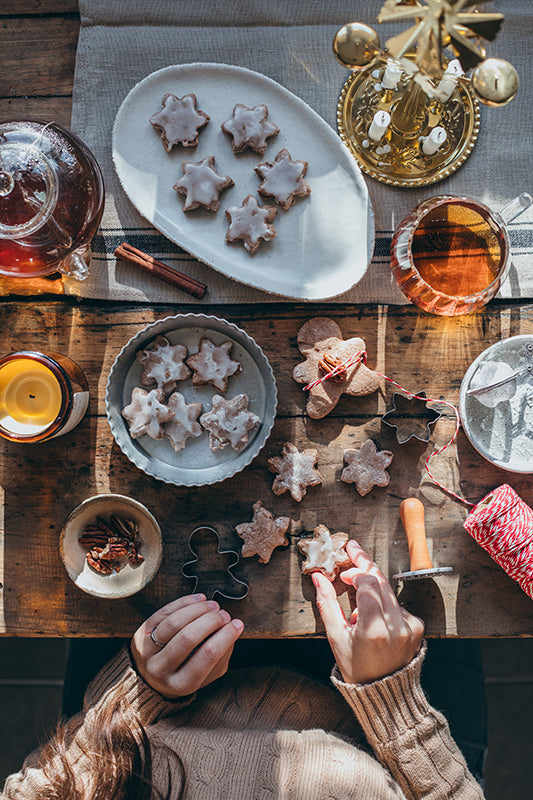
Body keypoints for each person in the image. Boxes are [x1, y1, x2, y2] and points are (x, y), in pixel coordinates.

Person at [1, 540, 485, 800]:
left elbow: (39, 789)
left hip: (140, 719)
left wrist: (140, 691)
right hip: (384, 734)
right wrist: (393, 699)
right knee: (455, 608)